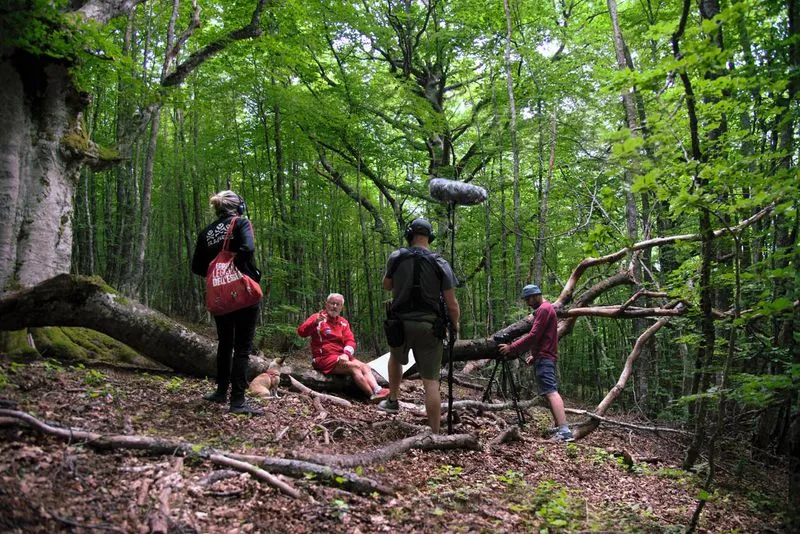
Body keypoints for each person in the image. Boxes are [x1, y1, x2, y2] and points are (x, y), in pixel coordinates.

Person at [378, 218, 460, 434]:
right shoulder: (440, 263)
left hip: (400, 324)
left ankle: (393, 399)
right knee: (430, 379)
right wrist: (455, 324)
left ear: (410, 235)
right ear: (429, 237)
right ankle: (435, 432)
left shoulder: (396, 256)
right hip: (430, 326)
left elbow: (386, 285)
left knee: (395, 358)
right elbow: (452, 304)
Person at [191, 190, 263, 416]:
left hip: (220, 295)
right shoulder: (241, 223)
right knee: (242, 348)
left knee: (224, 343)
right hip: (243, 292)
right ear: (238, 207)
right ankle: (238, 402)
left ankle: (221, 391)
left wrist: (219, 274)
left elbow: (197, 267)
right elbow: (248, 248)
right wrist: (235, 269)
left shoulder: (206, 232)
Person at [498, 284, 573, 441]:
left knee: (551, 392)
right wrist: (535, 355)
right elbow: (543, 337)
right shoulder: (545, 309)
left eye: (528, 299)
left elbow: (534, 335)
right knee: (548, 393)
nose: (527, 303)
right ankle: (560, 428)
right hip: (543, 356)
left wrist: (512, 348)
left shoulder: (544, 309)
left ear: (535, 296)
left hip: (545, 358)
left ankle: (565, 431)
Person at [297, 293, 390, 402]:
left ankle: (378, 390)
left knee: (365, 366)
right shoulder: (317, 317)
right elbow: (301, 332)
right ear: (326, 304)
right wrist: (314, 322)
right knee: (354, 367)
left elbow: (350, 341)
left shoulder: (343, 322)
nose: (335, 306)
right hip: (323, 358)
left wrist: (346, 354)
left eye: (338, 304)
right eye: (332, 303)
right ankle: (372, 395)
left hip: (341, 356)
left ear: (341, 307)